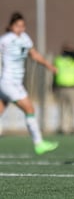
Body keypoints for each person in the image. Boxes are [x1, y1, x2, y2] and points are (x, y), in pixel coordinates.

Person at [0, 12, 58, 155]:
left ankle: (39, 143)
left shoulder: (25, 38)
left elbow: (34, 54)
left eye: (23, 26)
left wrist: (48, 65)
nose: (20, 29)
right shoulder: (6, 40)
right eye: (17, 26)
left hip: (16, 83)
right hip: (8, 82)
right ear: (11, 26)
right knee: (30, 109)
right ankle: (39, 143)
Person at [53, 43, 74, 135]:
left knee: (72, 108)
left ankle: (72, 127)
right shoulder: (58, 59)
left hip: (72, 87)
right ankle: (62, 127)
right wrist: (53, 85)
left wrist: (72, 51)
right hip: (61, 87)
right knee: (62, 108)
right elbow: (54, 73)